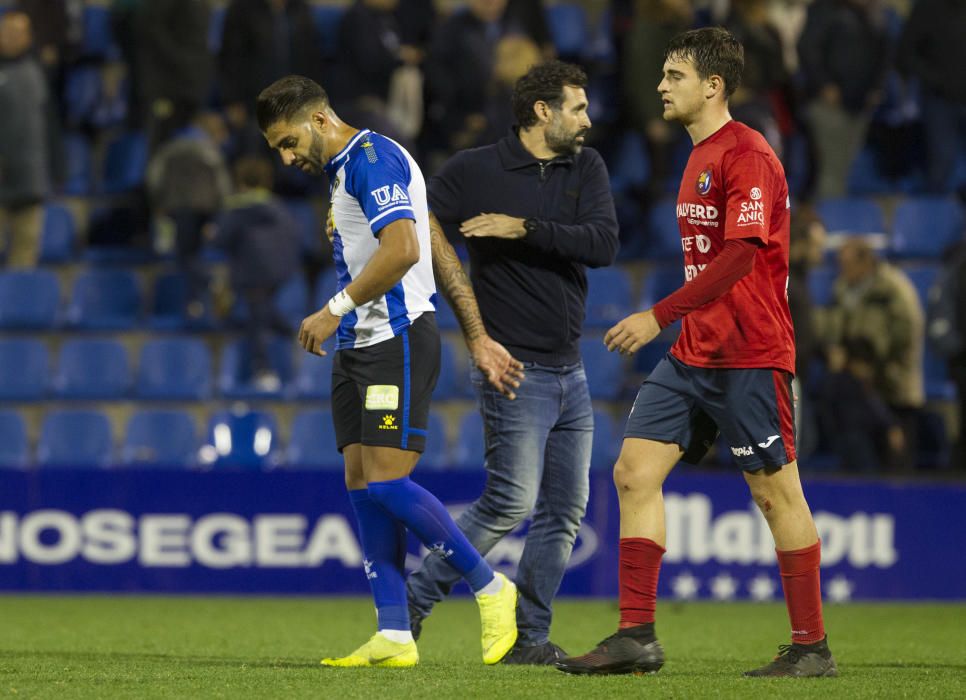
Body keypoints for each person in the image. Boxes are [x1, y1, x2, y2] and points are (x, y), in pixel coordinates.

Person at [556, 28, 837, 678]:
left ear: (713, 86)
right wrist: (677, 327)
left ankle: (811, 646)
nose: (660, 85)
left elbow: (740, 255)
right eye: (662, 75)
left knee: (775, 495)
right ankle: (636, 636)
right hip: (695, 354)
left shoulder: (749, 154)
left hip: (750, 353)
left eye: (674, 75)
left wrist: (657, 315)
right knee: (633, 473)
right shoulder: (698, 154)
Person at [256, 75, 521, 668]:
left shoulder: (371, 159)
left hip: (396, 340)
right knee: (359, 484)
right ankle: (395, 633)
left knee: (386, 483)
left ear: (319, 119)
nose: (286, 157)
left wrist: (332, 309)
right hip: (359, 344)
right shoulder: (345, 170)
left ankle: (492, 588)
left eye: (287, 141)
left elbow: (404, 249)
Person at [406, 60, 620, 665]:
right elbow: (415, 216)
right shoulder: (476, 168)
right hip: (514, 366)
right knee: (508, 503)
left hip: (570, 370)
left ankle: (528, 640)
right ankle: (409, 608)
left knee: (563, 515)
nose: (586, 118)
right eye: (576, 107)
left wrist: (523, 228)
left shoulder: (588, 167)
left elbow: (603, 243)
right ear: (542, 112)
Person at [824, 238, 925, 471]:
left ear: (866, 261)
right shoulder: (842, 288)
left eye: (847, 264)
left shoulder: (894, 288)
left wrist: (873, 364)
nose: (842, 270)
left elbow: (906, 333)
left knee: (896, 461)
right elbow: (834, 327)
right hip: (858, 387)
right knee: (861, 457)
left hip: (893, 384)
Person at [212, 157, 301, 391]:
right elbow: (293, 239)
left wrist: (210, 233)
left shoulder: (237, 209)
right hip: (278, 272)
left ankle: (264, 370)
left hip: (252, 271)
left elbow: (220, 239)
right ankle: (296, 335)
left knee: (257, 320)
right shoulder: (279, 208)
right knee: (263, 311)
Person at [0, 11, 48, 268]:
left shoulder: (37, 73)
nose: (10, 37)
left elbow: (48, 127)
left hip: (29, 178)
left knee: (25, 253)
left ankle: (19, 305)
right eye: (6, 31)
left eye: (18, 32)